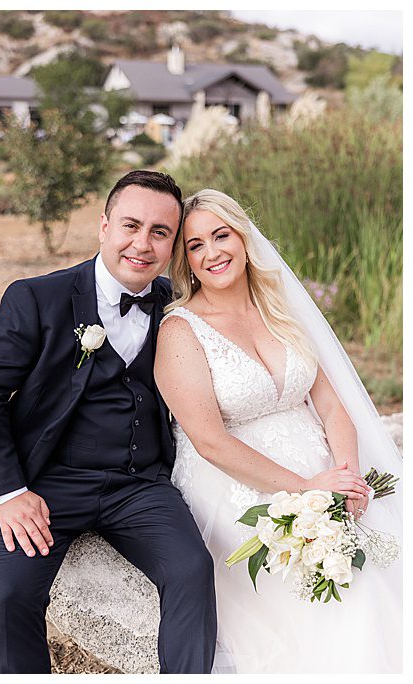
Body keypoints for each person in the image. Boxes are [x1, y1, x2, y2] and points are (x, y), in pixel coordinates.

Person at [0, 170, 216, 674]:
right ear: (104, 226)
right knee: (11, 594)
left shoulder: (177, 306)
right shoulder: (37, 298)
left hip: (139, 485)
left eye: (160, 232)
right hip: (46, 482)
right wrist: (10, 493)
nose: (142, 244)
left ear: (173, 246)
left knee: (192, 569)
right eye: (131, 225)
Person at [155, 189, 402, 673]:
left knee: (378, 558)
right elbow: (210, 441)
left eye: (221, 235)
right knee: (340, 589)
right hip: (233, 485)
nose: (212, 252)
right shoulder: (180, 331)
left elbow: (332, 407)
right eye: (195, 245)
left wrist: (348, 480)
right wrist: (307, 492)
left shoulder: (280, 310)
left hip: (322, 466)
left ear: (244, 239)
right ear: (186, 262)